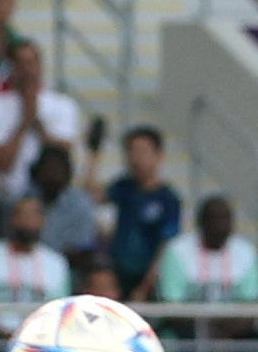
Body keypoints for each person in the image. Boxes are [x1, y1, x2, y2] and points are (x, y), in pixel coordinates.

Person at [0, 40, 79, 196]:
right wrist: (24, 122)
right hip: (6, 194)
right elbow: (2, 164)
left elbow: (62, 157)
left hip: (49, 193)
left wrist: (36, 123)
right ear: (12, 68)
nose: (27, 70)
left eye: (31, 62)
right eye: (21, 63)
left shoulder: (63, 105)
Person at [0, 195, 72, 333]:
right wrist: (8, 336)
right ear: (11, 219)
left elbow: (60, 312)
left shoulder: (57, 263)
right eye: (21, 214)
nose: (27, 221)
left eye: (34, 214)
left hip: (40, 343)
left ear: (43, 221)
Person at [103, 125, 181, 293]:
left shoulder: (168, 200)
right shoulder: (123, 187)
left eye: (142, 151)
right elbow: (92, 196)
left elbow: (165, 246)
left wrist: (146, 286)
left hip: (146, 279)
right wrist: (93, 153)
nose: (136, 158)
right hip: (118, 273)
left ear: (158, 156)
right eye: (131, 151)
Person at [144, 195, 258, 307]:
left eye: (225, 219)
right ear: (200, 222)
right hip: (186, 325)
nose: (220, 227)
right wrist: (207, 324)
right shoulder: (177, 251)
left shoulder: (245, 252)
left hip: (235, 325)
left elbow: (249, 306)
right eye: (214, 219)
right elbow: (172, 306)